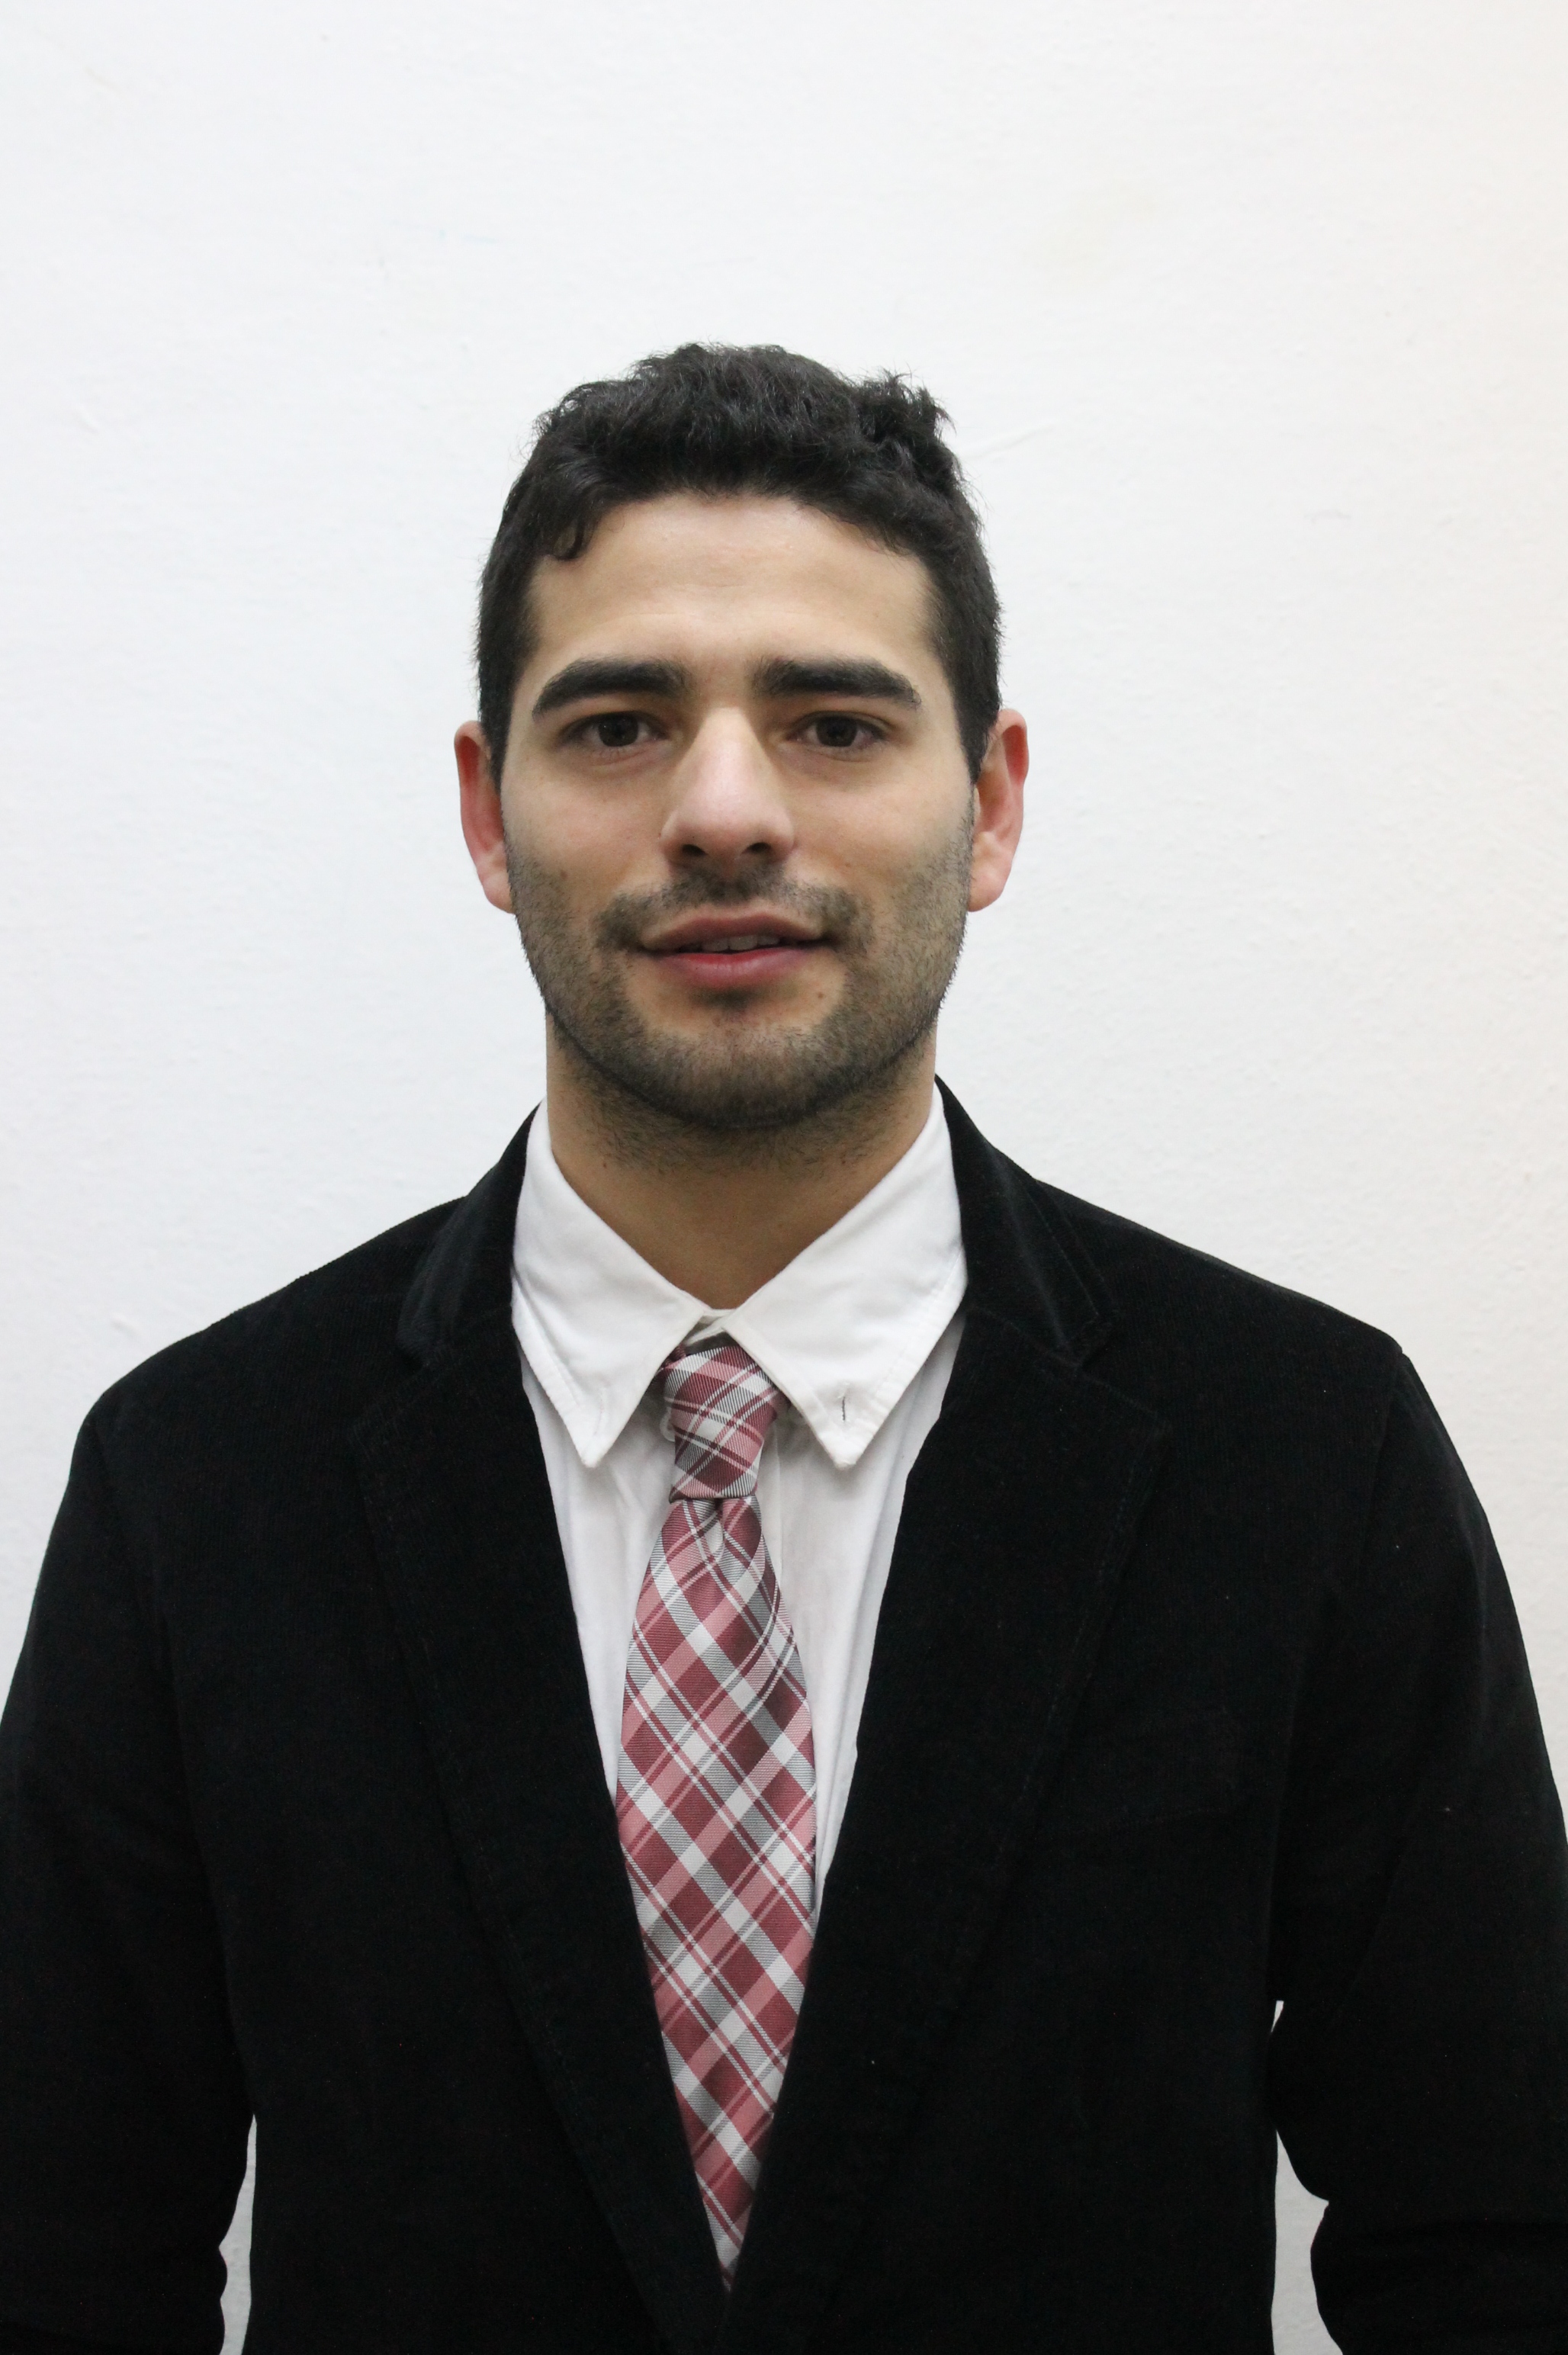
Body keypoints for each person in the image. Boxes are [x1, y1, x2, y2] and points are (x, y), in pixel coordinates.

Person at [2, 344, 1566, 2355]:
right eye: (619, 725)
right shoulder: (199, 1481)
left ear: (988, 805)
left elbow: (1498, 2230)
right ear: (488, 813)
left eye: (834, 723)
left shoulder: (1306, 1458)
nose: (725, 811)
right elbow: (59, 2247)